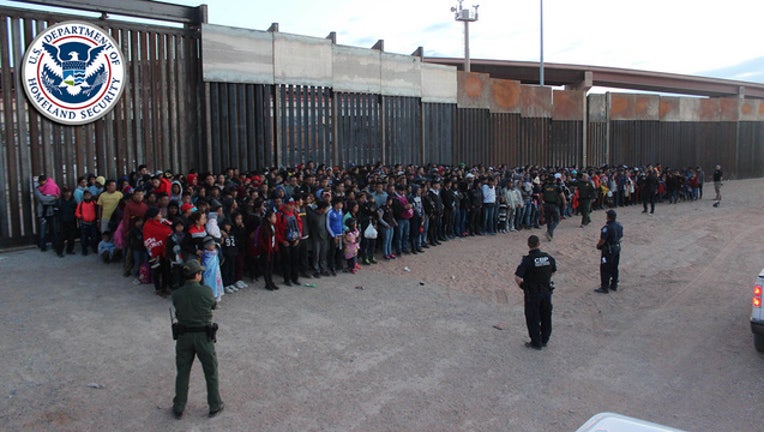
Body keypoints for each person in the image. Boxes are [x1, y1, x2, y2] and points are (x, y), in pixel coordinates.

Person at [171, 260, 224, 419]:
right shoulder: (206, 292)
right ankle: (214, 404)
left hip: (183, 337)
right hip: (203, 336)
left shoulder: (177, 294)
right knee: (211, 371)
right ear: (197, 275)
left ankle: (179, 405)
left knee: (182, 372)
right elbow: (213, 305)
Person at [513, 234, 557, 350]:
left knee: (533, 317)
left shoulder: (527, 260)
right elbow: (553, 270)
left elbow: (518, 277)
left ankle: (536, 342)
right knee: (546, 316)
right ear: (539, 244)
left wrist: (524, 287)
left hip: (533, 293)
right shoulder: (547, 257)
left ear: (529, 245)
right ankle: (545, 339)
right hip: (546, 291)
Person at [595, 209, 623, 294]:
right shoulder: (619, 225)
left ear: (608, 217)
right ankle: (614, 284)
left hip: (608, 249)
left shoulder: (607, 228)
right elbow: (621, 235)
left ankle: (604, 287)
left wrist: (598, 245)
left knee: (605, 268)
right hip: (617, 247)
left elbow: (602, 240)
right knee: (614, 266)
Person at [541, 176, 566, 241]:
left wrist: (541, 205)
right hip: (554, 205)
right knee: (557, 220)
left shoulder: (545, 187)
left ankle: (550, 236)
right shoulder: (557, 187)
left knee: (549, 220)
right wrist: (564, 204)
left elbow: (541, 197)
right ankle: (549, 231)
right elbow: (563, 197)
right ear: (554, 180)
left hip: (546, 204)